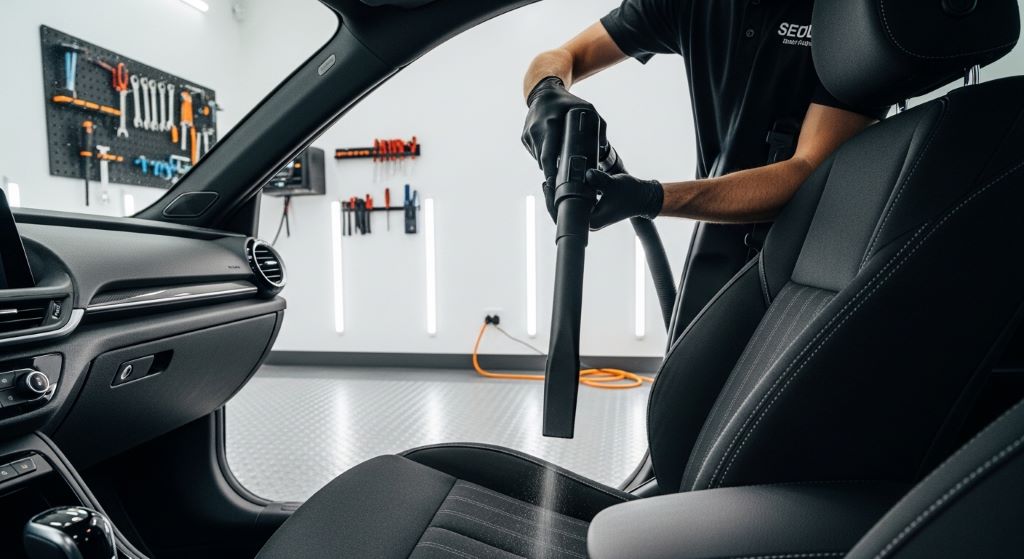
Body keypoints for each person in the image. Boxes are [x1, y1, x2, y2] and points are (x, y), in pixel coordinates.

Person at [522, 0, 890, 230]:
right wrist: (546, 91)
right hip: (721, 226)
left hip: (817, 240)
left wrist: (652, 198)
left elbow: (808, 171)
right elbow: (564, 56)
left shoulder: (848, 17)